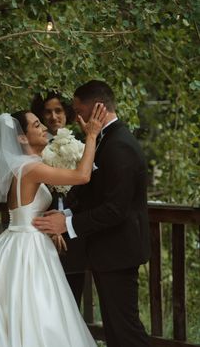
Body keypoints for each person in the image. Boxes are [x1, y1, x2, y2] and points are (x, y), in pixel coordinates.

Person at [0, 105, 107, 347]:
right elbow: (82, 176)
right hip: (28, 249)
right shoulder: (30, 168)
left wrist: (46, 222)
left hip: (20, 239)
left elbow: (25, 210)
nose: (44, 128)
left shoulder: (22, 166)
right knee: (37, 308)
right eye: (36, 125)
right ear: (21, 137)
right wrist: (92, 135)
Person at [33, 80, 151, 347]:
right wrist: (67, 214)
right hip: (108, 253)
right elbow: (94, 195)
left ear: (97, 108)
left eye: (78, 109)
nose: (76, 117)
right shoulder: (104, 139)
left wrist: (68, 224)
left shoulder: (119, 144)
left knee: (126, 331)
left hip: (119, 253)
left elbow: (115, 209)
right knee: (115, 330)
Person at [31, 91, 87, 307]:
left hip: (75, 230)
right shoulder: (34, 150)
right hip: (42, 230)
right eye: (47, 112)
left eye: (58, 110)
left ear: (67, 113)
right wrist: (50, 225)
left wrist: (65, 221)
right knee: (45, 297)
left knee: (73, 295)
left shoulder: (83, 146)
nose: (54, 116)